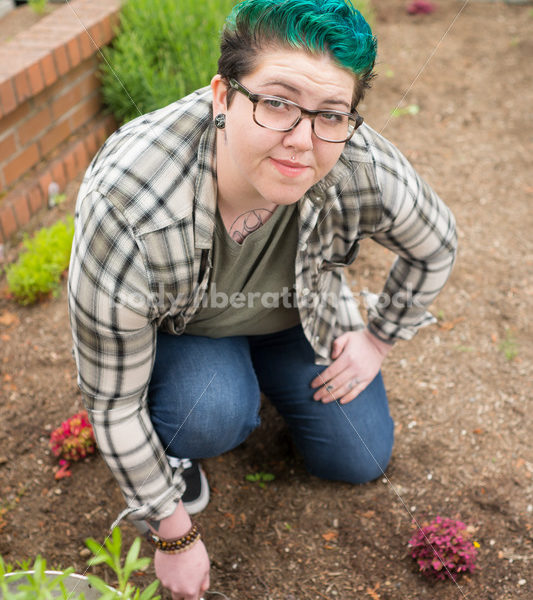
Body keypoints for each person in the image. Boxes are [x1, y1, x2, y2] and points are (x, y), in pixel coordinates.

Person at [68, 0, 457, 598]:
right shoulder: (129, 203)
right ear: (222, 97)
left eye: (331, 113)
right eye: (277, 102)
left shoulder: (356, 159)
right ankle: (177, 448)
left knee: (359, 458)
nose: (303, 141)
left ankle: (261, 374)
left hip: (300, 313)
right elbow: (110, 403)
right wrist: (172, 534)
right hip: (188, 327)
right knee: (213, 412)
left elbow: (436, 243)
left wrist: (378, 337)